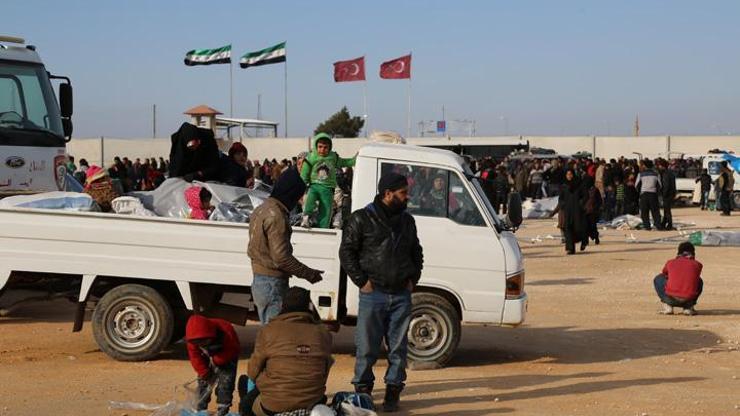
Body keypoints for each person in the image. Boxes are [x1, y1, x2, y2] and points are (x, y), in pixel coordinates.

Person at [339, 172, 424, 412]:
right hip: (372, 295)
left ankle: (393, 392)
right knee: (366, 348)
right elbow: (346, 252)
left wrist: (413, 279)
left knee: (398, 349)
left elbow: (416, 252)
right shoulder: (361, 219)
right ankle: (363, 396)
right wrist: (362, 281)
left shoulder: (407, 221)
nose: (407, 197)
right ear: (388, 194)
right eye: (403, 193)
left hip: (401, 296)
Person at [240, 287, 333, 416]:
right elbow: (326, 368)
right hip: (312, 403)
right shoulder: (323, 333)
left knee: (245, 396)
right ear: (309, 306)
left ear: (282, 305)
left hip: (273, 406)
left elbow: (253, 371)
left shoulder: (268, 330)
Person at [247, 168, 324, 324]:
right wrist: (309, 274)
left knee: (269, 332)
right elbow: (281, 257)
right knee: (275, 335)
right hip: (272, 283)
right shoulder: (277, 216)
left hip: (260, 281)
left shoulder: (261, 209)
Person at [185, 315, 240, 416]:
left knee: (226, 382)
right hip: (207, 355)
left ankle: (223, 408)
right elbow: (195, 357)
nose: (201, 344)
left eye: (203, 341)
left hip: (227, 356)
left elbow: (233, 349)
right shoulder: (193, 340)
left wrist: (217, 361)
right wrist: (204, 371)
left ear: (210, 335)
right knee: (203, 382)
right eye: (197, 343)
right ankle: (200, 409)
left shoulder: (226, 331)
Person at [300, 133, 357, 228]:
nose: (322, 150)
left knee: (326, 209)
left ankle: (323, 227)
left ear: (330, 147)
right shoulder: (311, 157)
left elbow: (344, 162)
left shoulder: (333, 157)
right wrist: (302, 183)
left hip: (327, 188)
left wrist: (355, 159)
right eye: (320, 147)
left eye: (325, 147)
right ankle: (306, 217)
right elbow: (305, 171)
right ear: (315, 146)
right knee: (310, 201)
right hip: (314, 185)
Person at [653, 242, 704, 316]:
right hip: (688, 299)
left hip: (671, 298)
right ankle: (688, 308)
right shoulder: (698, 264)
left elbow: (664, 273)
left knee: (659, 278)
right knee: (699, 281)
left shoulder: (670, 262)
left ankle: (668, 306)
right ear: (693, 253)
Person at [558, 169, 587, 255]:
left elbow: (585, 196)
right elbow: (561, 198)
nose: (569, 176)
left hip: (577, 211)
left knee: (578, 228)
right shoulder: (564, 186)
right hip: (568, 211)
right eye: (567, 174)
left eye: (570, 174)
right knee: (568, 229)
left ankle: (584, 240)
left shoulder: (579, 185)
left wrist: (581, 204)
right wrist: (562, 205)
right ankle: (570, 248)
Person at [636, 160, 663, 230]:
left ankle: (647, 226)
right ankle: (658, 225)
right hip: (653, 194)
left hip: (644, 194)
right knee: (655, 211)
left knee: (644, 211)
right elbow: (660, 185)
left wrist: (639, 192)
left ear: (645, 165)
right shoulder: (656, 174)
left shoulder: (640, 174)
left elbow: (636, 185)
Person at [658, 161, 676, 230]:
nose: (659, 167)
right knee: (666, 210)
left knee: (667, 210)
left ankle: (669, 224)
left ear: (663, 166)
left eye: (660, 166)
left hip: (667, 194)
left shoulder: (665, 174)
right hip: (671, 193)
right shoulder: (670, 172)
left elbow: (666, 185)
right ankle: (664, 223)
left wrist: (664, 194)